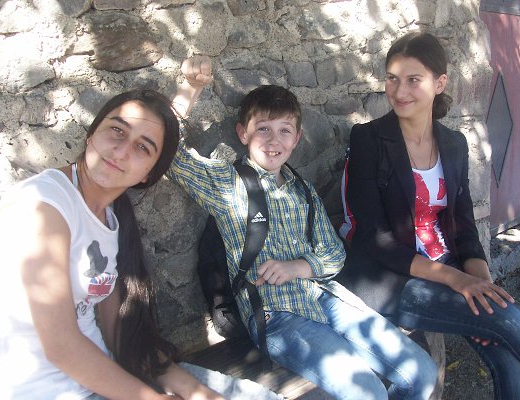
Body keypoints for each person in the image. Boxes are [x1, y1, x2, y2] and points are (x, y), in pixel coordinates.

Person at [167, 56, 438, 400]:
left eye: (284, 131)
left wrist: (298, 267)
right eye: (263, 129)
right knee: (367, 392)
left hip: (328, 299)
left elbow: (334, 253)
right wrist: (190, 88)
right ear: (243, 133)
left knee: (422, 373)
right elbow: (170, 154)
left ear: (296, 139)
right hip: (278, 314)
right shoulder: (226, 183)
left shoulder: (303, 191)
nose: (273, 140)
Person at [0, 88, 283, 400]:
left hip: (106, 379)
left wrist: (196, 392)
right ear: (91, 134)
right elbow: (61, 346)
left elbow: (123, 336)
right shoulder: (43, 206)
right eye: (117, 130)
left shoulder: (112, 218)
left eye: (142, 147)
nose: (121, 151)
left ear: (149, 174)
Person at [340, 31, 520, 400]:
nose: (399, 90)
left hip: (445, 265)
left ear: (439, 83)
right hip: (390, 280)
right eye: (392, 78)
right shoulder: (368, 139)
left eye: (413, 79)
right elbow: (375, 241)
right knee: (506, 320)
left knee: (506, 343)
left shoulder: (454, 144)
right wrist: (459, 282)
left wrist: (483, 288)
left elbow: (464, 227)